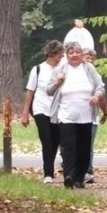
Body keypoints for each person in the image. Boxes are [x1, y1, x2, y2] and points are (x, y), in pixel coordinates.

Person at [47, 42, 105, 189]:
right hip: (66, 115)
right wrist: (57, 82)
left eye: (77, 52)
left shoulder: (89, 68)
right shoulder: (61, 69)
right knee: (68, 147)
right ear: (67, 55)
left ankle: (79, 177)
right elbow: (49, 90)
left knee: (84, 148)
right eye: (71, 53)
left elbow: (100, 86)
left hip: (86, 116)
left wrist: (96, 96)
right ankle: (69, 176)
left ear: (81, 54)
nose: (74, 55)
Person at [20, 40, 65, 183]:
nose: (60, 58)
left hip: (57, 109)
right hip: (40, 108)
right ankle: (48, 173)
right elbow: (30, 92)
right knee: (46, 140)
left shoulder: (63, 70)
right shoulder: (38, 69)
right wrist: (25, 113)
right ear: (51, 54)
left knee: (55, 141)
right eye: (59, 55)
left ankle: (49, 168)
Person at [82, 47, 107, 183]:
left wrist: (105, 112)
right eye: (87, 56)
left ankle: (87, 170)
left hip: (91, 116)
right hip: (73, 116)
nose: (90, 60)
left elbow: (101, 95)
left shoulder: (95, 75)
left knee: (88, 144)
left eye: (92, 58)